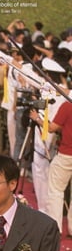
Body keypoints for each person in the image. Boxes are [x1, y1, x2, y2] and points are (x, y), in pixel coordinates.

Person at [33, 101, 72, 235]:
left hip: (66, 154)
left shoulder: (67, 105)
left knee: (56, 190)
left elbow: (51, 128)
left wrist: (37, 118)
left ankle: (56, 227)